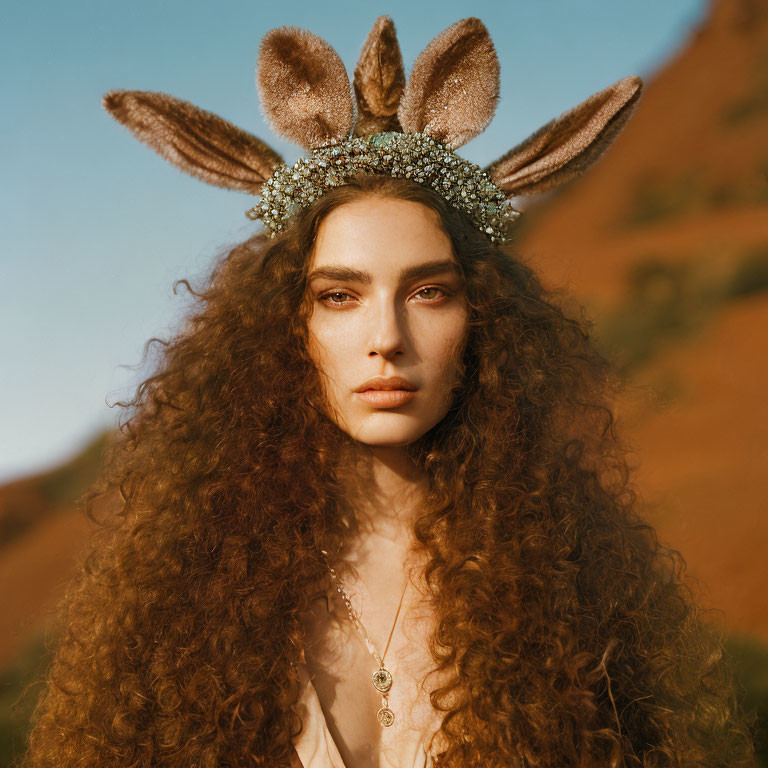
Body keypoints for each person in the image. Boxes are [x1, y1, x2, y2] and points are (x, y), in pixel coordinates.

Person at [20, 16, 755, 768]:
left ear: (484, 322)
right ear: (289, 326)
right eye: (341, 296)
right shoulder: (195, 590)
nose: (387, 338)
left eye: (429, 292)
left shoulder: (561, 587)